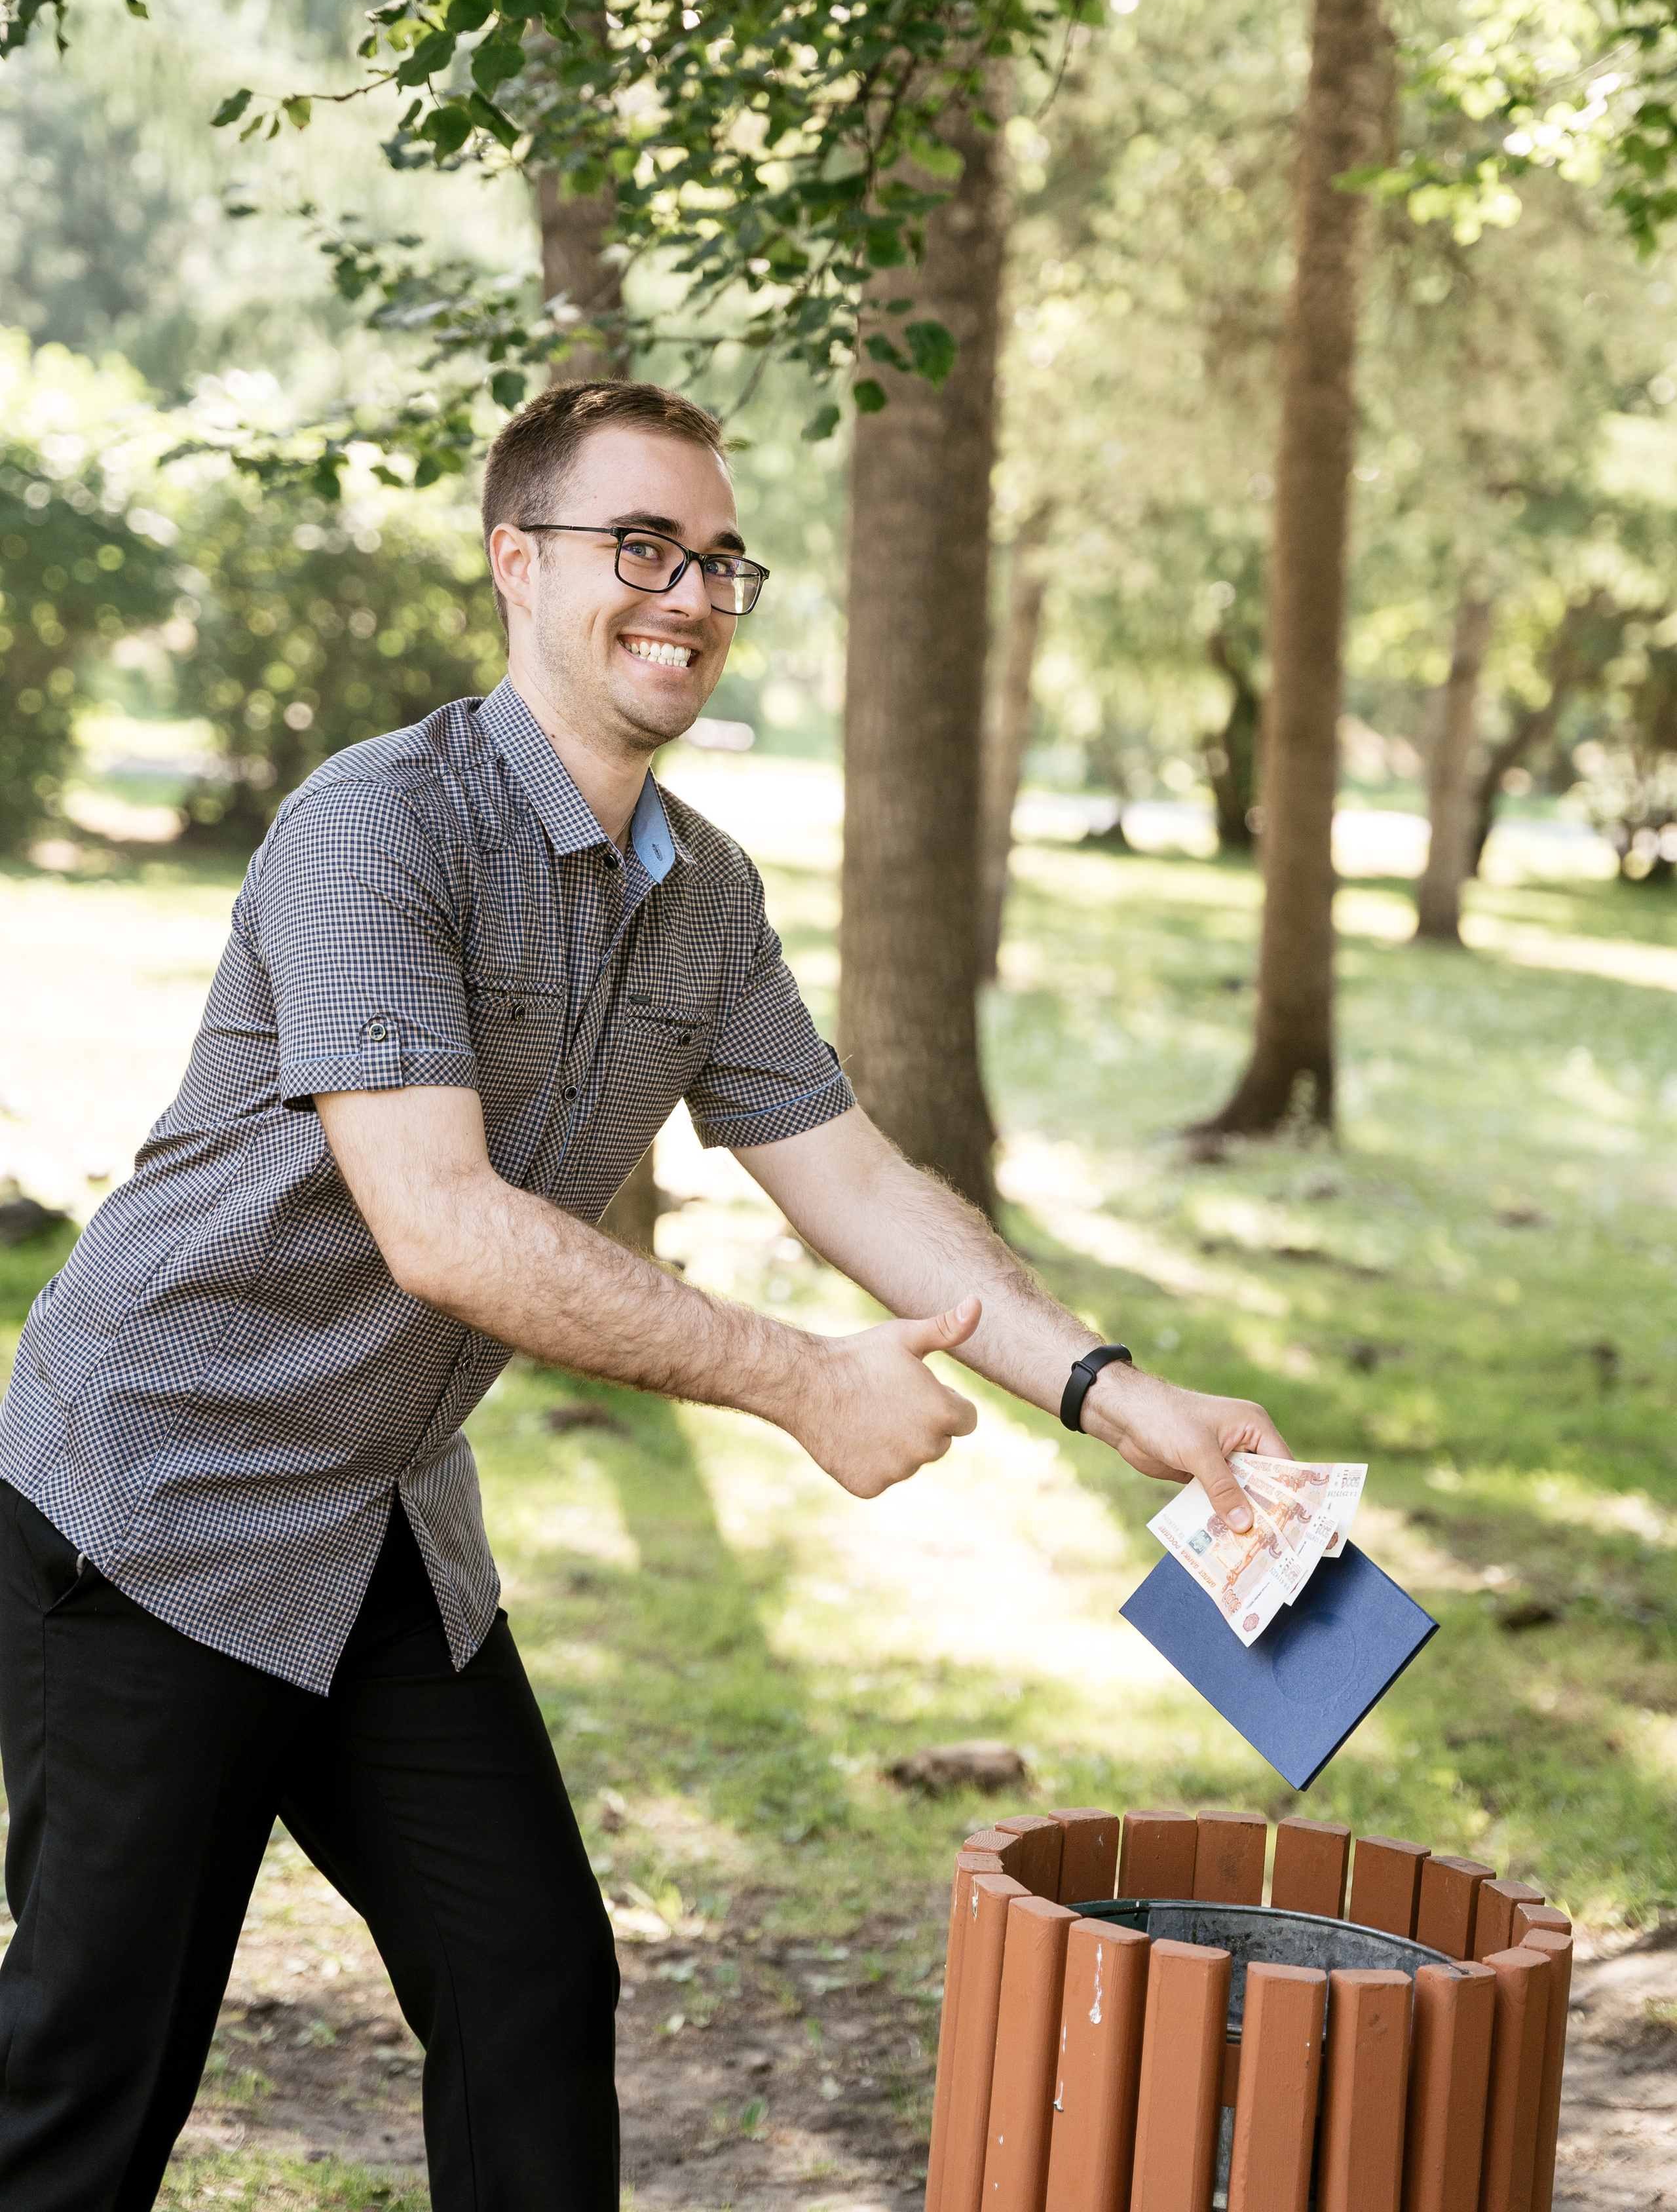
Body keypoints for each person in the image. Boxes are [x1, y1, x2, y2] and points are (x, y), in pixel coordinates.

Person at [0, 379, 1289, 2212]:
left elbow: (848, 1175)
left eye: (715, 559)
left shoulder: (707, 900)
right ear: (516, 565)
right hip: (153, 1510)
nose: (686, 591)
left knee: (530, 1977)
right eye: (639, 546)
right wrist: (797, 1382)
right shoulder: (376, 829)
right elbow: (441, 1226)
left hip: (377, 1526)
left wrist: (1117, 1393)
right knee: (90, 2071)